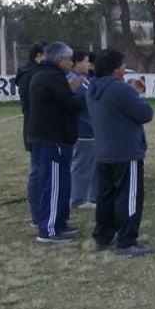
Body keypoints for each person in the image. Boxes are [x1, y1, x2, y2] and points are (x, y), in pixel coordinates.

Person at [87, 49, 153, 256]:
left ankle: (103, 236)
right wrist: (134, 94)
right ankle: (126, 241)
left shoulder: (93, 88)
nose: (125, 68)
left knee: (106, 195)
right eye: (123, 64)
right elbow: (144, 114)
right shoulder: (120, 90)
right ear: (116, 68)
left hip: (104, 151)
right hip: (126, 152)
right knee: (130, 196)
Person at [28, 41, 86, 243]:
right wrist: (79, 96)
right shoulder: (51, 77)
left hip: (53, 138)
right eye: (69, 59)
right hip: (52, 140)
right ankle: (49, 230)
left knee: (61, 183)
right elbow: (69, 104)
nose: (71, 63)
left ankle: (59, 223)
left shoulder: (47, 76)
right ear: (60, 59)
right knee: (53, 185)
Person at [15, 41, 47, 227]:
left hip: (36, 126)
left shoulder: (29, 73)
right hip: (37, 127)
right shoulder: (31, 75)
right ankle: (38, 213)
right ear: (39, 55)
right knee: (38, 170)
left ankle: (42, 210)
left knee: (41, 169)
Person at [68, 50, 97, 209]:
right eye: (86, 61)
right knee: (82, 165)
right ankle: (78, 199)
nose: (88, 64)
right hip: (83, 129)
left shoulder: (84, 79)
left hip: (91, 127)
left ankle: (91, 196)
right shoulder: (73, 80)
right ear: (76, 62)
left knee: (92, 165)